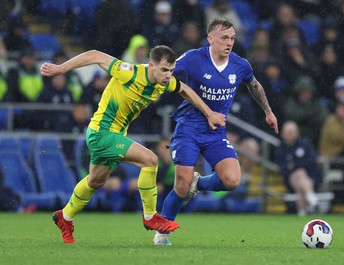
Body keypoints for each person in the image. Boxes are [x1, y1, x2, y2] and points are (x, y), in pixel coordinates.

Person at [40, 45, 226, 244]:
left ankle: (64, 217)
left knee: (95, 181)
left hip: (113, 135)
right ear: (151, 65)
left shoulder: (164, 83)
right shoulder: (129, 72)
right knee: (150, 160)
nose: (168, 75)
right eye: (164, 70)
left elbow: (185, 89)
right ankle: (150, 216)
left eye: (171, 70)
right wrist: (61, 69)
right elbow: (95, 54)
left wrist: (209, 113)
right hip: (101, 133)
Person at [154, 18, 278, 245]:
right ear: (210, 38)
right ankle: (162, 232)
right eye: (224, 38)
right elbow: (168, 73)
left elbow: (255, 85)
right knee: (181, 183)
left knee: (232, 180)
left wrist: (268, 112)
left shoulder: (240, 65)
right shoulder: (193, 58)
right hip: (188, 129)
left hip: (216, 132)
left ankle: (198, 183)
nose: (229, 42)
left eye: (232, 38)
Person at [273, 121, 320, 216]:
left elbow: (312, 162)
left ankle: (302, 212)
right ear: (283, 133)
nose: (289, 135)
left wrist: (295, 165)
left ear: (297, 132)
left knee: (300, 182)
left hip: (309, 177)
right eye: (287, 132)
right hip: (289, 179)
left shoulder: (305, 144)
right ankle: (311, 197)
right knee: (299, 174)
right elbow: (282, 167)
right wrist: (297, 167)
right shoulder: (280, 148)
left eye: (292, 132)